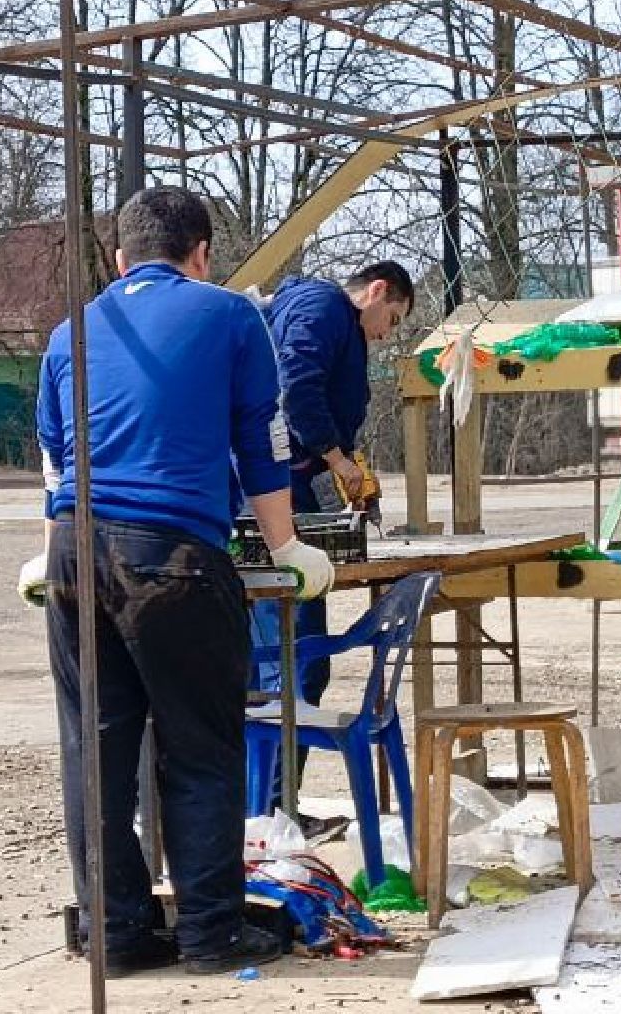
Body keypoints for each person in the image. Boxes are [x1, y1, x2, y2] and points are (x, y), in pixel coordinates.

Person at [17, 186, 335, 978]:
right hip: (174, 559)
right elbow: (261, 440)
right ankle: (209, 934)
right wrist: (287, 544)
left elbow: (55, 462)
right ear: (202, 254)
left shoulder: (69, 332)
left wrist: (49, 549)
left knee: (94, 749)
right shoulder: (231, 316)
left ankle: (117, 935)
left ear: (120, 259)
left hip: (75, 557)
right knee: (200, 747)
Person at [250, 262, 416, 825]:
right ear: (376, 292)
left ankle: (273, 808)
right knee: (293, 662)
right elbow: (296, 385)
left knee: (288, 663)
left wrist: (347, 467)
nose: (386, 333)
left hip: (287, 481)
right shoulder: (324, 308)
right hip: (270, 489)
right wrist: (337, 458)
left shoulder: (332, 320)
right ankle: (271, 815)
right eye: (391, 319)